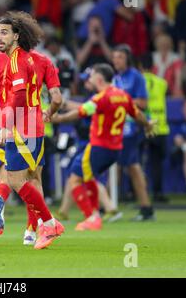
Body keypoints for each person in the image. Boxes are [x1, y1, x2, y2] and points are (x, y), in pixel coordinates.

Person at [0, 11, 65, 250]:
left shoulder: (16, 60)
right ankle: (42, 226)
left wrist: (5, 126)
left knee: (17, 181)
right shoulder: (31, 59)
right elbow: (56, 98)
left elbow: (20, 96)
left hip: (23, 128)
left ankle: (49, 223)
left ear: (17, 35)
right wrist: (48, 113)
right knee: (29, 180)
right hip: (33, 125)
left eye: (4, 33)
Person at [52, 64, 155, 231]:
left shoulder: (101, 98)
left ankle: (91, 217)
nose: (90, 78)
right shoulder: (123, 96)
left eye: (92, 75)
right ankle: (95, 215)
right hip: (115, 150)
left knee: (74, 179)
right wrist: (148, 125)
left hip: (98, 147)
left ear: (99, 79)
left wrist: (57, 119)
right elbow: (137, 114)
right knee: (88, 178)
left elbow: (80, 112)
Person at [112, 44, 155, 221]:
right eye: (114, 57)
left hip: (132, 128)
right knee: (129, 167)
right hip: (119, 128)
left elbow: (143, 103)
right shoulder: (114, 78)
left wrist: (121, 101)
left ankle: (107, 207)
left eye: (120, 57)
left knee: (127, 166)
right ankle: (145, 208)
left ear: (127, 59)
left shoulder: (135, 77)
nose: (116, 60)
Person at [139, 54, 171, 203]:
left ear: (140, 67)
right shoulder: (162, 83)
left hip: (142, 125)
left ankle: (135, 193)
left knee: (136, 163)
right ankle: (157, 193)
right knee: (156, 163)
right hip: (160, 127)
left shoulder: (138, 82)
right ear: (153, 66)